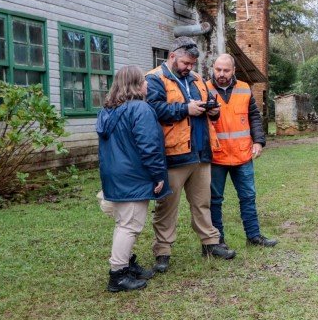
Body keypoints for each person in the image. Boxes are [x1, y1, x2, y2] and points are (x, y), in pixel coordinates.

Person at [146, 38, 235, 273]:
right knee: (167, 206)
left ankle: (210, 243)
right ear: (172, 56)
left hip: (200, 151)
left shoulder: (196, 80)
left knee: (202, 203)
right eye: (186, 62)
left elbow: (208, 105)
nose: (189, 68)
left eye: (192, 64)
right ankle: (162, 251)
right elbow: (153, 109)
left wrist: (212, 110)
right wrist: (185, 109)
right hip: (173, 154)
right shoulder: (154, 78)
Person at [96, 65, 171, 292]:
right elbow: (149, 146)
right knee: (130, 225)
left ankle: (126, 264)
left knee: (123, 221)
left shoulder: (108, 111)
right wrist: (158, 175)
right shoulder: (140, 109)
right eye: (143, 80)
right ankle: (118, 274)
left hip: (115, 173)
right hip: (133, 175)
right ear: (136, 85)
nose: (148, 84)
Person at [207, 54, 277, 250]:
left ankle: (254, 236)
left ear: (233, 70)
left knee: (248, 197)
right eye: (218, 69)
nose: (221, 74)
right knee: (214, 200)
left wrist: (259, 141)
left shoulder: (245, 88)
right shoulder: (204, 89)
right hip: (216, 156)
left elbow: (254, 116)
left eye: (226, 70)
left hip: (242, 154)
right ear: (213, 68)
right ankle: (217, 241)